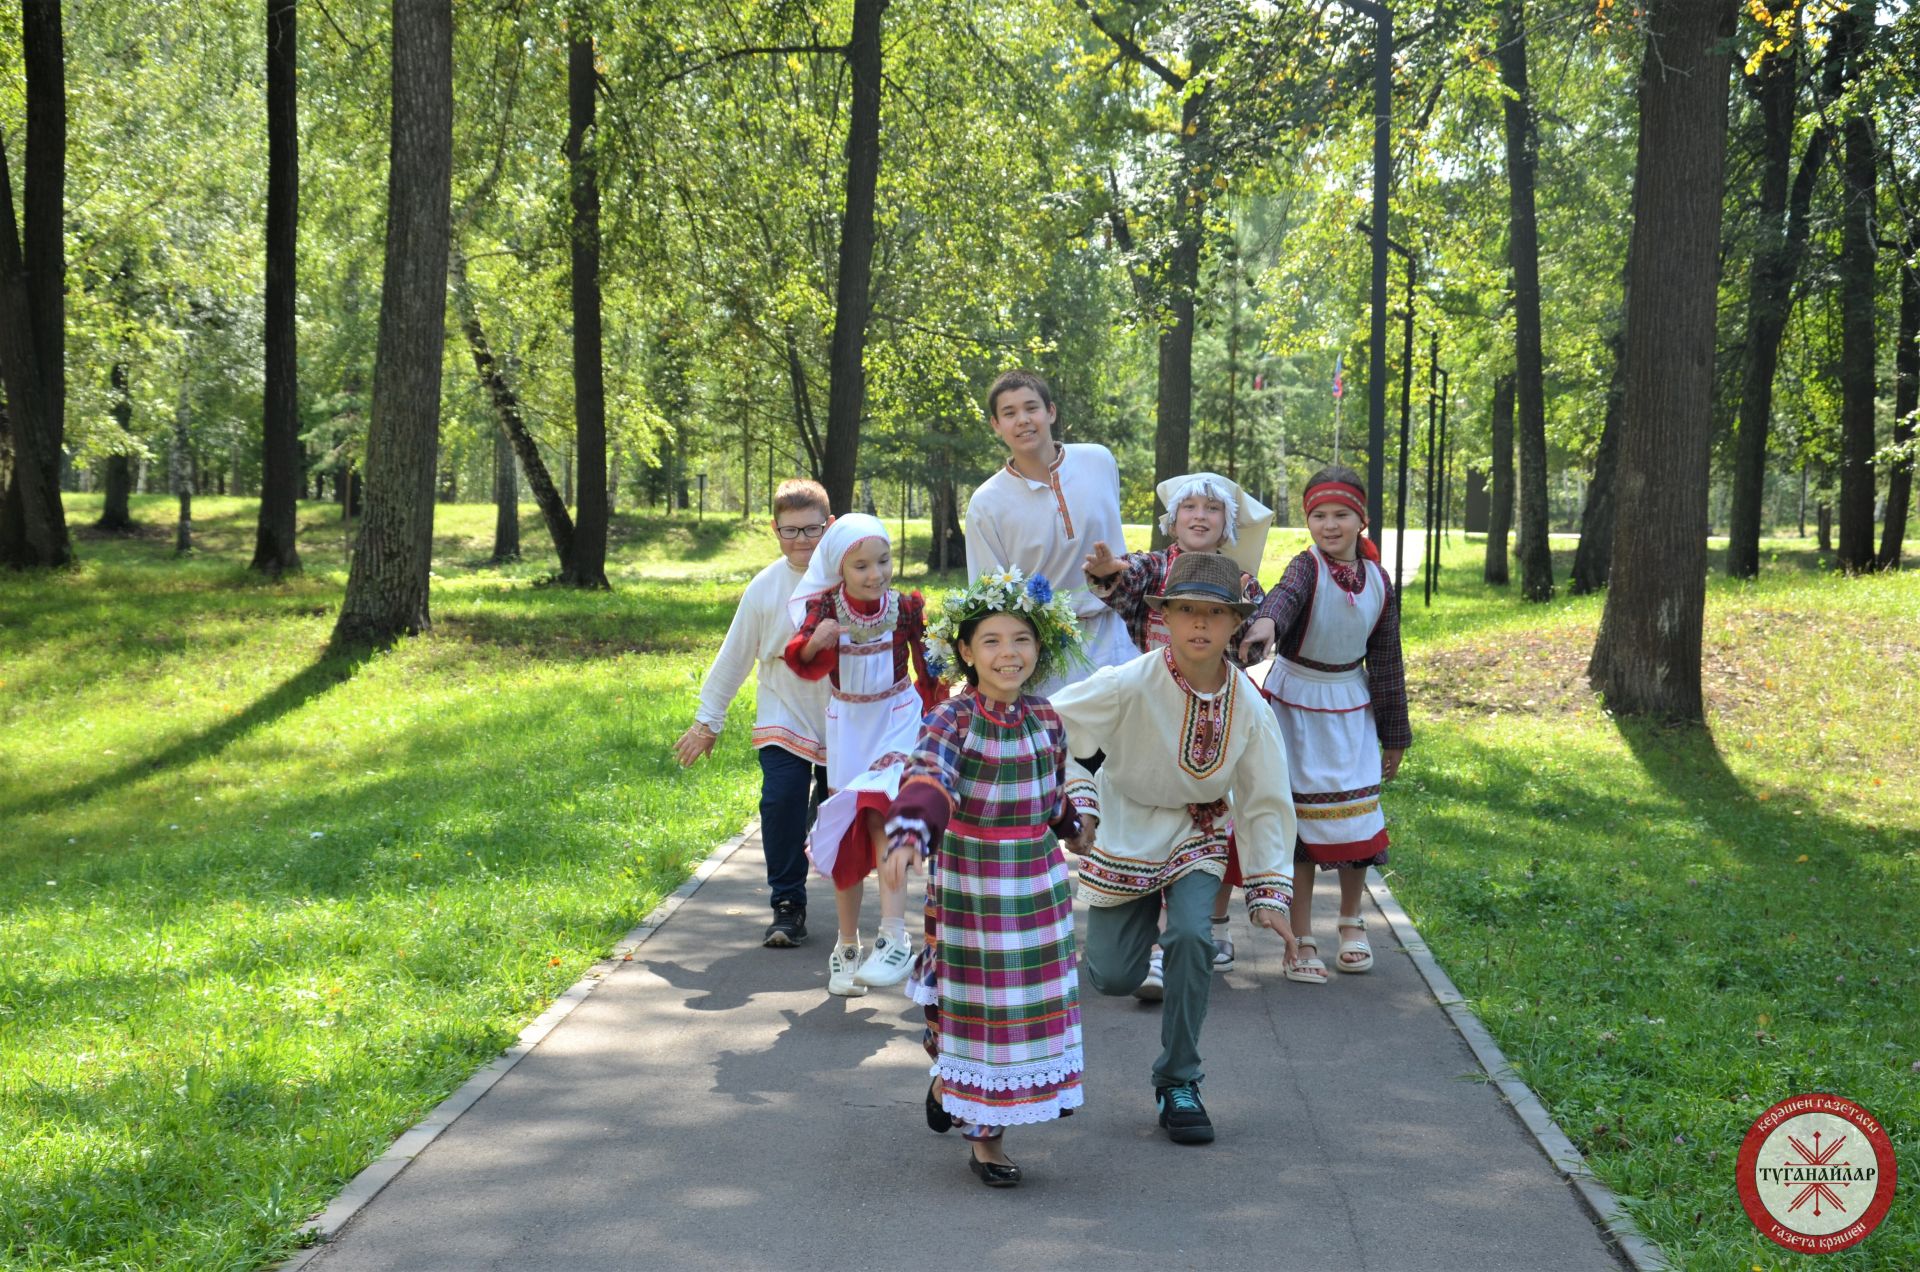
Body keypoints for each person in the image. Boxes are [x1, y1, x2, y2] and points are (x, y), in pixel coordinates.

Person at [1049, 551, 1301, 1146]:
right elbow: (1054, 727)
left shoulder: (1249, 707)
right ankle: (1131, 953)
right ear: (1165, 615)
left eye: (1215, 614)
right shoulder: (1129, 682)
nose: (1199, 625)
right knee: (1112, 976)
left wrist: (1269, 889)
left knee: (1193, 936)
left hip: (1199, 830)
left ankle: (1179, 1078)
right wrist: (1076, 796)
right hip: (1126, 826)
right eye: (1186, 610)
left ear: (1234, 624)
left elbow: (1265, 796)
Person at [882, 567, 1088, 1187]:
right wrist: (912, 828)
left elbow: (1050, 793)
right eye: (992, 641)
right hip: (971, 885)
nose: (1008, 653)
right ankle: (981, 1133)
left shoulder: (1047, 718)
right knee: (974, 1009)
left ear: (1039, 648)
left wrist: (1074, 826)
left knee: (1020, 1011)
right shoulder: (953, 719)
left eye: (1021, 639)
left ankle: (962, 1097)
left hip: (1037, 888)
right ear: (966, 652)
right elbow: (928, 776)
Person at [1082, 471, 1273, 988]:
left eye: (1212, 510)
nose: (1199, 517)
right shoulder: (1153, 568)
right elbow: (1123, 582)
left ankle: (1207, 923)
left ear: (1226, 525)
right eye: (1189, 507)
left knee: (1211, 821)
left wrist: (1262, 629)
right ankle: (1146, 936)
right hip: (1150, 714)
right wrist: (1107, 573)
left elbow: (1262, 618)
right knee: (1147, 826)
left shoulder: (1240, 580)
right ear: (1173, 521)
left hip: (1213, 721)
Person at [1236, 465, 1410, 985]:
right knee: (1301, 825)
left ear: (1362, 519)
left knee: (1356, 817)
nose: (1329, 525)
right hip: (1296, 703)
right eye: (1318, 515)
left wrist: (1395, 734)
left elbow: (1385, 661)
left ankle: (1352, 922)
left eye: (1340, 514)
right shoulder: (1305, 567)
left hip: (1352, 706)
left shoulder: (1379, 581)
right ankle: (1303, 932)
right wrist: (1266, 622)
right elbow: (1284, 599)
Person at [785, 514, 944, 997]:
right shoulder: (824, 606)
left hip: (897, 714)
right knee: (851, 832)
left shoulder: (907, 606)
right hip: (850, 726)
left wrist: (937, 713)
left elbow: (930, 662)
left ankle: (894, 936)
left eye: (883, 561)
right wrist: (818, 640)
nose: (875, 574)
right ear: (840, 568)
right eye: (861, 566)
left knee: (882, 813)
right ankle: (847, 947)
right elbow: (801, 658)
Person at [673, 479, 833, 948]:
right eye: (790, 531)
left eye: (813, 530)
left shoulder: (851, 577)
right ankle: (787, 905)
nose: (802, 541)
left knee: (834, 811)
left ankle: (816, 825)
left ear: (832, 525)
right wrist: (708, 722)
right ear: (774, 529)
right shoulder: (765, 588)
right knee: (779, 800)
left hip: (843, 721)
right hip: (783, 715)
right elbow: (734, 657)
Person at [964, 370, 1136, 689]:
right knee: (1059, 738)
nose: (1023, 420)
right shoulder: (987, 504)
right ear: (995, 424)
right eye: (1009, 413)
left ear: (1050, 412)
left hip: (1116, 636)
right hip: (1050, 655)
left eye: (1031, 408)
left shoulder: (1099, 461)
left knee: (1124, 737)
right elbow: (990, 596)